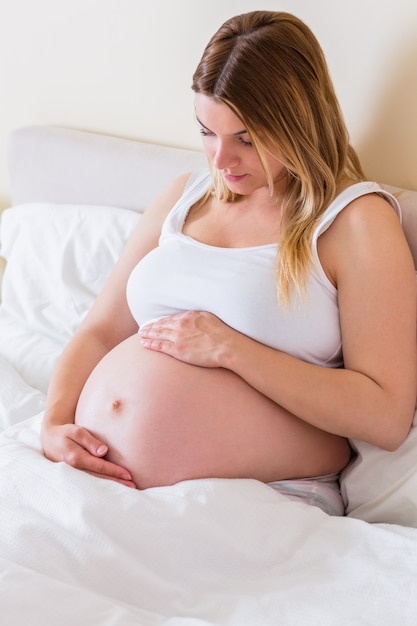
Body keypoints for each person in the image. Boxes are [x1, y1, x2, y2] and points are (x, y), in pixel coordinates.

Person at [40, 11, 417, 516]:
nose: (220, 160)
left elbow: (386, 416)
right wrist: (53, 423)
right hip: (98, 480)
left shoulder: (355, 221)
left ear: (298, 122)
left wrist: (231, 350)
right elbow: (101, 331)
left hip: (258, 499)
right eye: (206, 132)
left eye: (245, 138)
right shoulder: (184, 196)